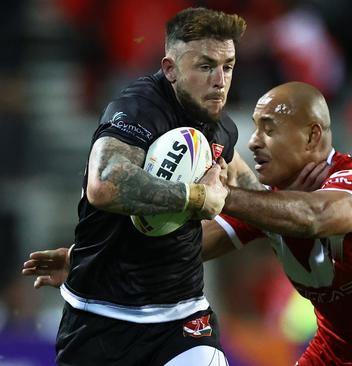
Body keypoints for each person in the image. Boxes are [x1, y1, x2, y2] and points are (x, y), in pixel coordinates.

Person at [26, 82, 352, 365]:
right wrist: (92, 262)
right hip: (340, 355)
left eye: (269, 129)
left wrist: (222, 195)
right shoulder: (271, 203)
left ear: (313, 137)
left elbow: (315, 217)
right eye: (253, 128)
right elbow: (192, 245)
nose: (253, 143)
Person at [30, 7, 269, 366]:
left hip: (184, 319)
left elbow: (246, 189)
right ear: (170, 69)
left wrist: (286, 218)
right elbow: (105, 183)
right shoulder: (138, 109)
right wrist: (197, 197)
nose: (220, 81)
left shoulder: (220, 127)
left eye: (228, 66)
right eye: (205, 66)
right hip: (101, 320)